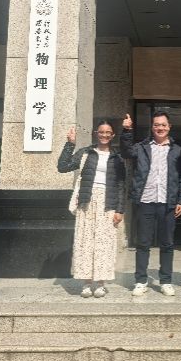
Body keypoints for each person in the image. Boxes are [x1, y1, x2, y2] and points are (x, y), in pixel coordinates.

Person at [120, 111, 181, 297]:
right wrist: (127, 131)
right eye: (157, 125)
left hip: (168, 202)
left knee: (167, 244)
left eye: (163, 125)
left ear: (169, 127)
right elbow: (125, 151)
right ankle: (141, 281)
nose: (160, 128)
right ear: (152, 127)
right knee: (143, 243)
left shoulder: (177, 150)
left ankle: (166, 281)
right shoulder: (142, 147)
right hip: (145, 201)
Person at [57, 121, 126, 298]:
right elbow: (62, 166)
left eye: (108, 132)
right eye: (101, 132)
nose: (104, 135)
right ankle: (86, 283)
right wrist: (70, 144)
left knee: (105, 244)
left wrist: (120, 210)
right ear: (96, 133)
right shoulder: (86, 152)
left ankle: (101, 284)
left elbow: (121, 185)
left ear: (113, 135)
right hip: (86, 201)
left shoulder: (117, 157)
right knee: (85, 242)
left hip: (108, 203)